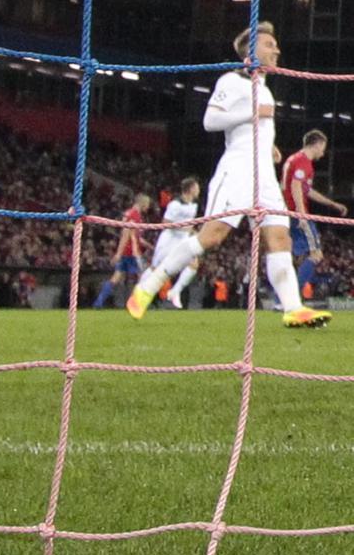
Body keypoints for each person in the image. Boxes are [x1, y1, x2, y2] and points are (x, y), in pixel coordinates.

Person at [127, 23, 331, 328]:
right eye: (269, 45)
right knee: (212, 235)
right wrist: (254, 114)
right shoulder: (232, 80)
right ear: (251, 51)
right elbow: (211, 120)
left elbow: (256, 124)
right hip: (236, 170)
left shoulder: (263, 86)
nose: (276, 50)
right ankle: (148, 286)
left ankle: (293, 308)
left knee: (279, 236)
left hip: (264, 174)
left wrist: (270, 146)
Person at [281, 130, 348, 299]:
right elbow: (296, 186)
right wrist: (302, 214)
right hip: (297, 214)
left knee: (296, 256)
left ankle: (280, 298)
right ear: (317, 144)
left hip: (288, 212)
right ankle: (291, 298)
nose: (323, 152)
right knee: (315, 255)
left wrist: (331, 204)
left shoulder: (293, 159)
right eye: (323, 147)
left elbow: (306, 190)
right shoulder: (303, 161)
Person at [94, 193, 152, 308]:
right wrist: (118, 254)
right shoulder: (134, 215)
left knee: (116, 277)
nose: (148, 207)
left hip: (127, 251)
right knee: (143, 277)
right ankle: (137, 305)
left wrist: (150, 246)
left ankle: (98, 303)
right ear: (143, 203)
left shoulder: (130, 214)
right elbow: (125, 235)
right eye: (148, 204)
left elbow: (136, 237)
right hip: (132, 252)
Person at [154, 178, 202, 309]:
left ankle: (175, 291)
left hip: (183, 239)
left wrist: (194, 232)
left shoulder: (194, 205)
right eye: (197, 187)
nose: (198, 190)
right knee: (156, 269)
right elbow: (166, 222)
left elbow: (187, 224)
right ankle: (142, 295)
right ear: (191, 189)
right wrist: (183, 228)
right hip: (170, 239)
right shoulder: (175, 204)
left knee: (194, 264)